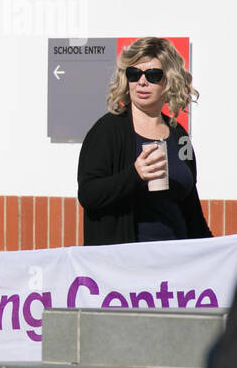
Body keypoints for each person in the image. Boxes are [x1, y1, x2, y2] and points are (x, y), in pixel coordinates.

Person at [77, 37, 210, 246]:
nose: (142, 82)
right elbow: (88, 194)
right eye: (134, 74)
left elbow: (191, 208)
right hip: (127, 264)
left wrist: (212, 253)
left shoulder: (179, 136)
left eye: (153, 75)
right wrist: (134, 175)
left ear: (169, 80)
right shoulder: (107, 130)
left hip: (176, 262)